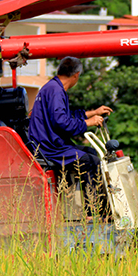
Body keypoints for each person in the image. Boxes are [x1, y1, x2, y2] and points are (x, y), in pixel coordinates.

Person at [28, 56, 113, 192]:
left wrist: (94, 112)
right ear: (76, 75)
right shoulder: (56, 91)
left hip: (48, 143)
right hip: (50, 148)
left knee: (91, 152)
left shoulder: (53, 87)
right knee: (92, 162)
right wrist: (88, 123)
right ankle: (91, 212)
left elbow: (66, 117)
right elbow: (62, 123)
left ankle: (80, 200)